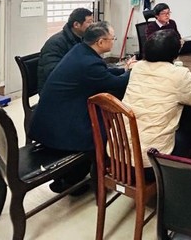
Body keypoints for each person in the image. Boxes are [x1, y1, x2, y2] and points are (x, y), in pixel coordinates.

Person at [29, 21, 134, 192]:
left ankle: (78, 174)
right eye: (112, 38)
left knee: (105, 115)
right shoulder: (89, 63)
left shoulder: (81, 51)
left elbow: (102, 73)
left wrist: (123, 70)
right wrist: (131, 72)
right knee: (109, 126)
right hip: (60, 126)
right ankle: (85, 175)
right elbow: (115, 84)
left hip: (51, 117)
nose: (113, 41)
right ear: (101, 42)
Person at [122, 29, 191, 171]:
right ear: (175, 53)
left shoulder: (137, 68)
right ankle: (190, 173)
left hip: (118, 154)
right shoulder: (178, 74)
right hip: (150, 163)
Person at [37, 7, 93, 94]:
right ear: (76, 25)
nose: (93, 25)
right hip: (55, 90)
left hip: (72, 83)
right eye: (89, 22)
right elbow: (54, 72)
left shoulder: (82, 39)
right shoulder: (56, 43)